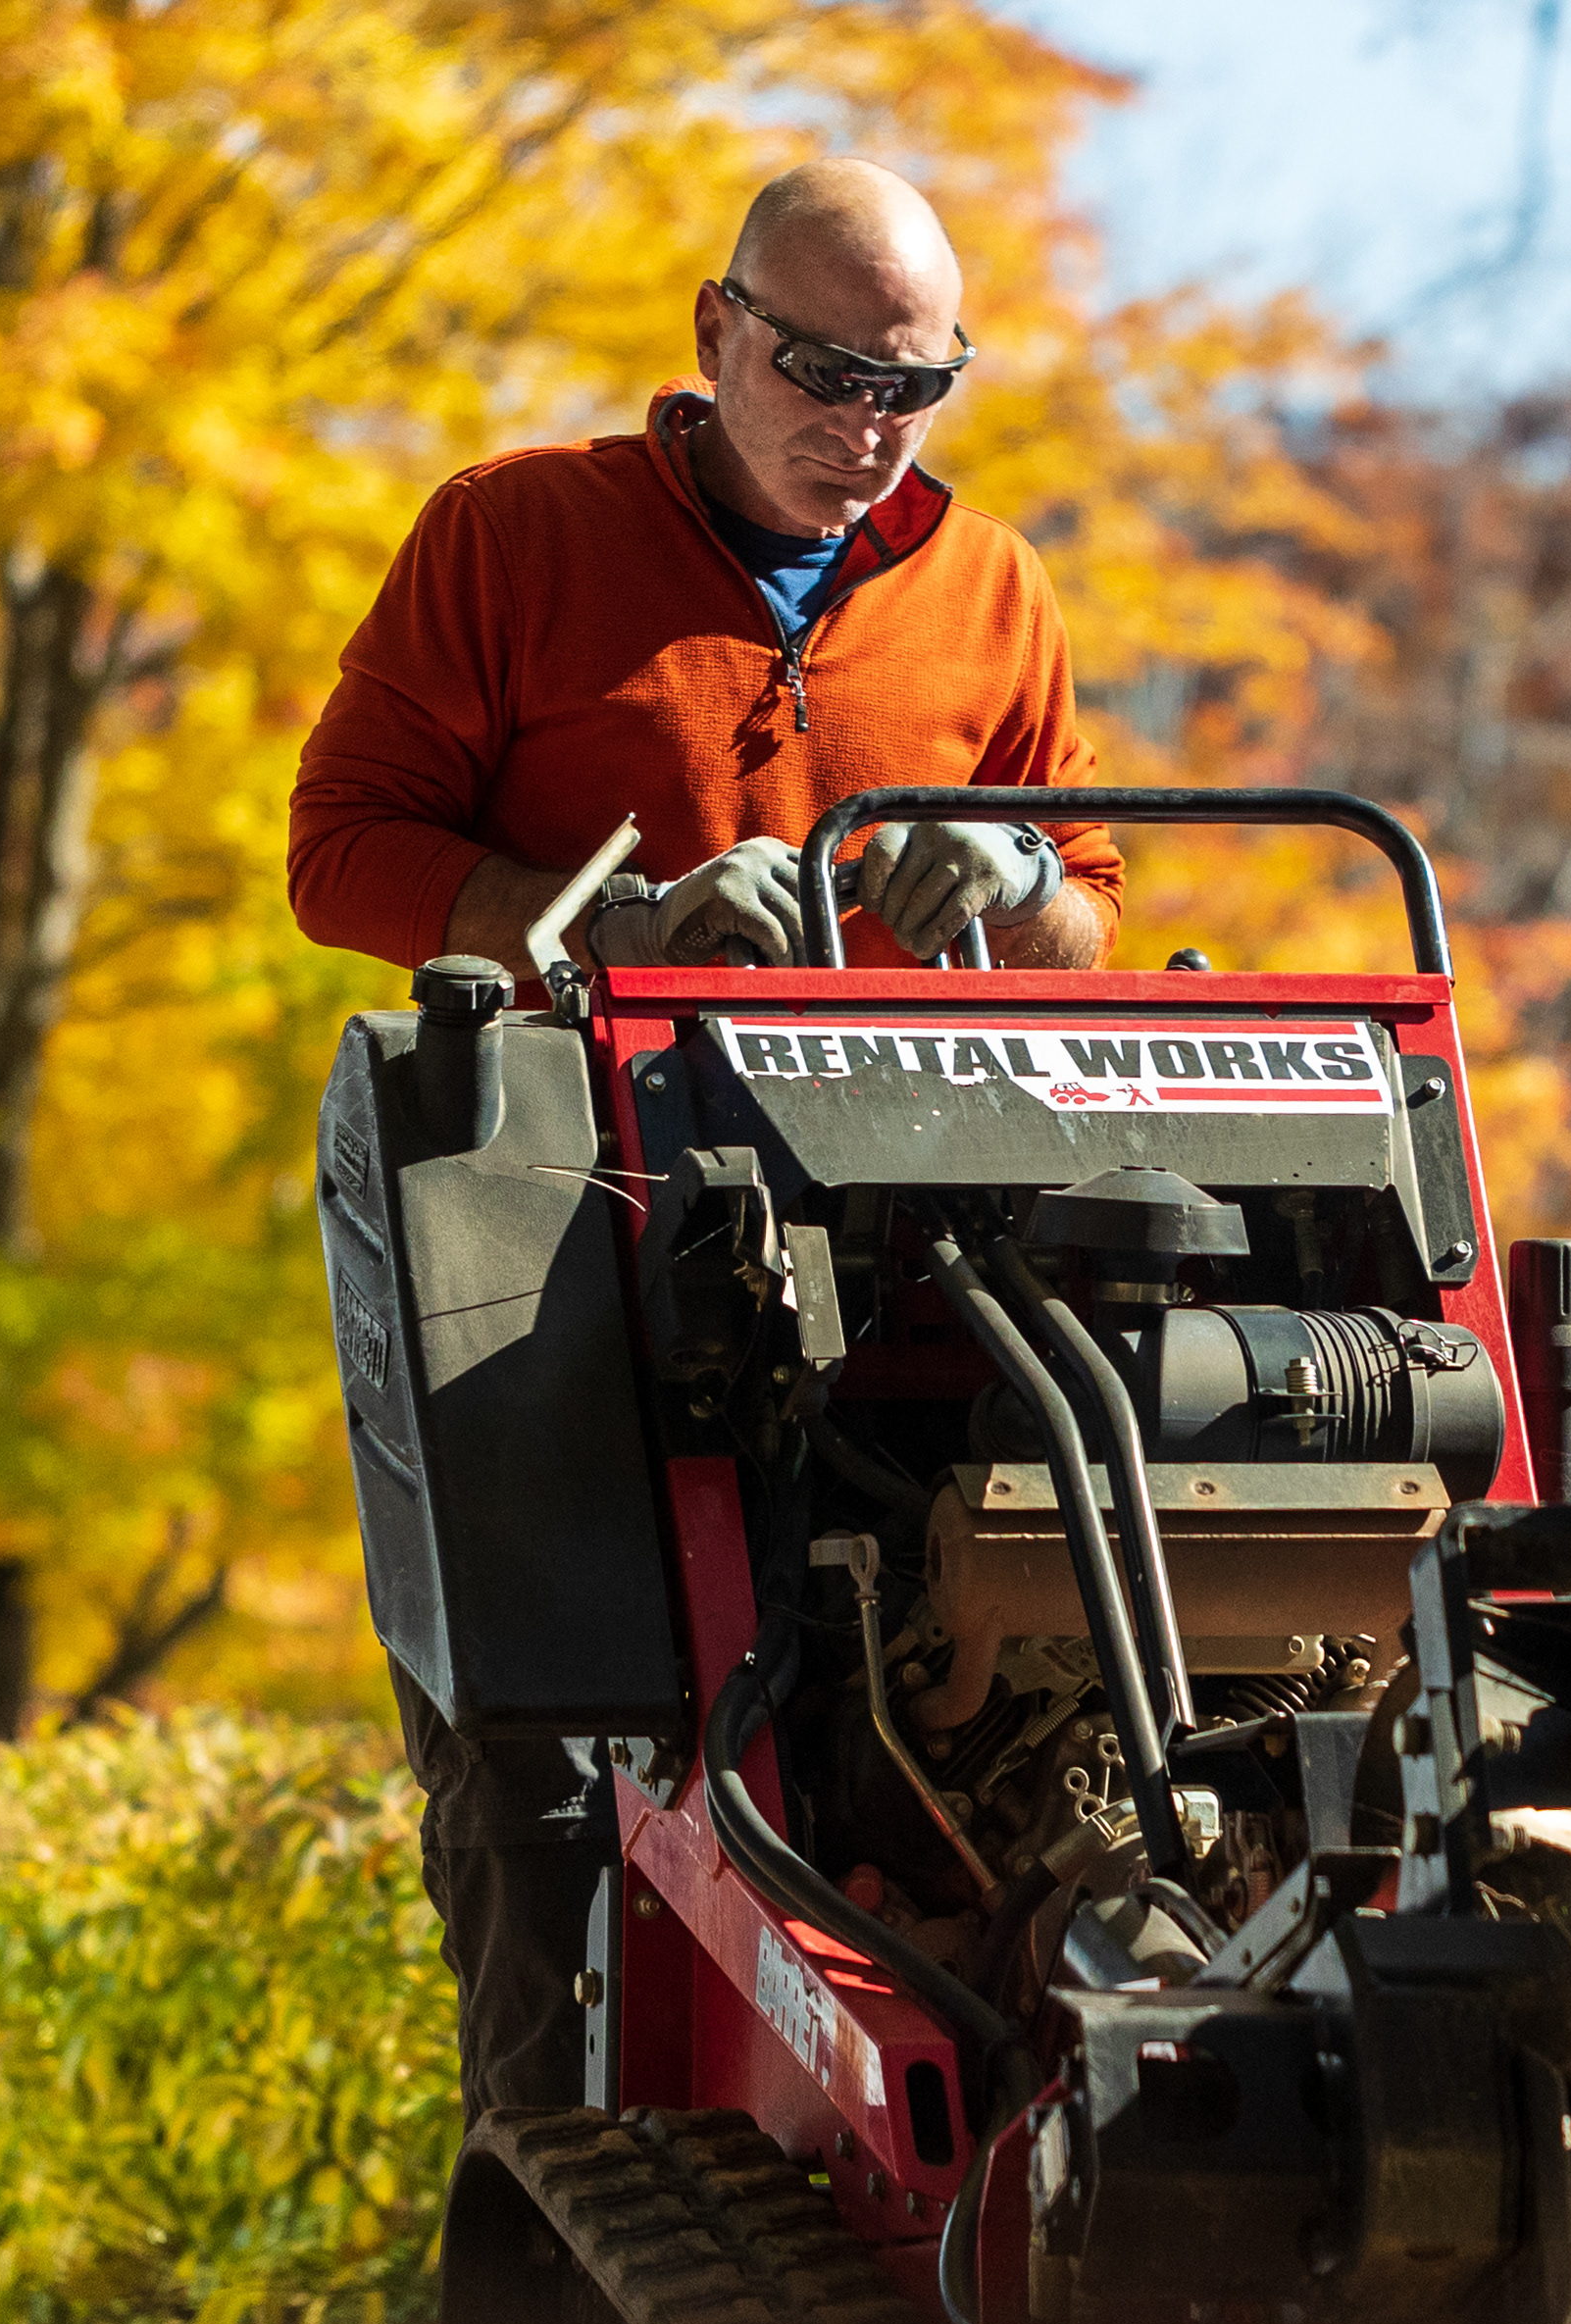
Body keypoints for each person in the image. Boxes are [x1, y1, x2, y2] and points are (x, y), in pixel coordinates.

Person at [286, 160, 1120, 2117]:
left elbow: (1085, 905)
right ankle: (541, 2241)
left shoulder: (994, 589)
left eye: (921, 384)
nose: (870, 426)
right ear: (715, 331)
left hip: (918, 1250)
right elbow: (342, 850)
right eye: (826, 370)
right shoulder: (514, 537)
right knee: (553, 1785)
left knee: (948, 1748)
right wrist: (620, 919)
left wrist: (1011, 885)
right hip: (582, 1228)